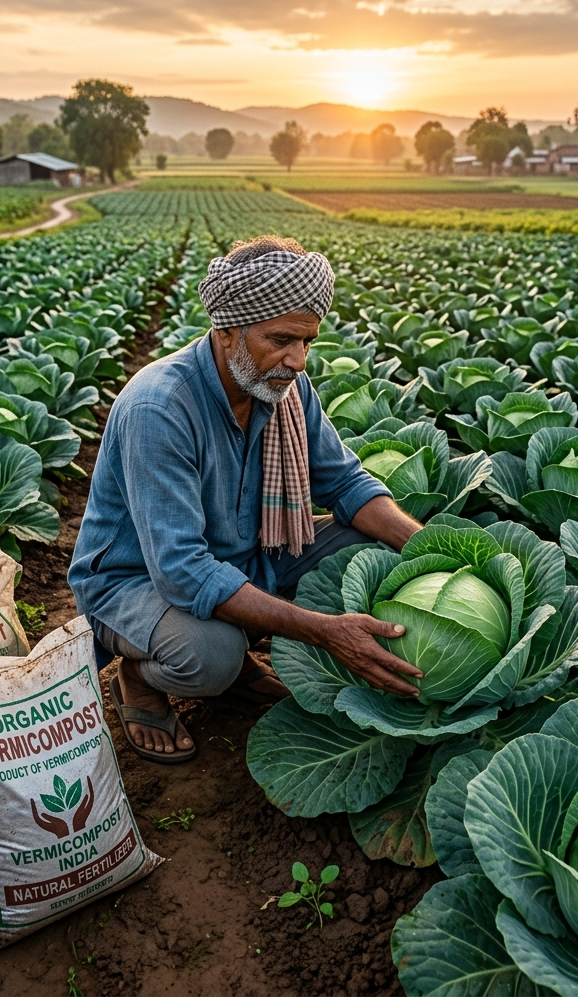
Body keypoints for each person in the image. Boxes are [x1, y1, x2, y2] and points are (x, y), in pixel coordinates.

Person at [68, 235, 424, 763]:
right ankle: (139, 679)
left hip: (246, 554)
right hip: (134, 580)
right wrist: (327, 633)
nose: (298, 360)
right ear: (227, 329)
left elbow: (346, 484)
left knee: (368, 547)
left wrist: (431, 548)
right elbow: (183, 570)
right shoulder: (160, 407)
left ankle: (240, 655)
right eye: (282, 339)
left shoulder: (283, 388)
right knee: (211, 655)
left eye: (307, 342)